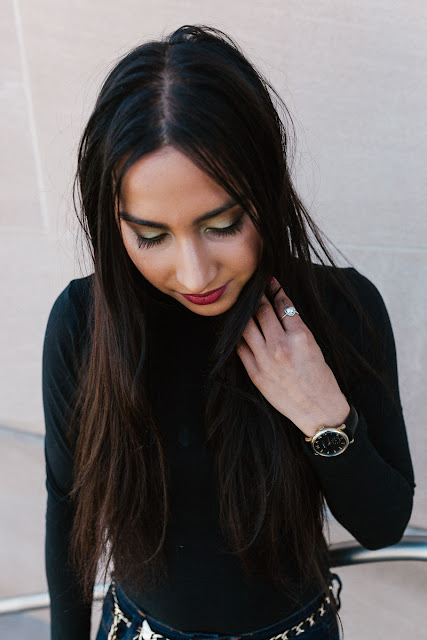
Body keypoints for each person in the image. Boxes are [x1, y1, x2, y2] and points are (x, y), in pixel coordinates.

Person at [42, 24, 415, 640]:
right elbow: (68, 509)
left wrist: (322, 415)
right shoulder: (84, 322)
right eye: (152, 236)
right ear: (114, 223)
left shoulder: (339, 310)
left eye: (222, 225)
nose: (195, 274)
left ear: (266, 191)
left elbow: (382, 525)